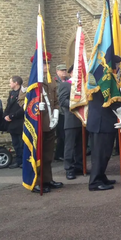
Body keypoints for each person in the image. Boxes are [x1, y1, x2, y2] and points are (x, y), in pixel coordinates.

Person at [87, 55, 121, 191]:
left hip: (103, 122)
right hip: (101, 123)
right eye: (116, 65)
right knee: (100, 154)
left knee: (105, 153)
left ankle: (101, 176)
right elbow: (110, 99)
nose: (117, 68)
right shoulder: (105, 79)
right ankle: (95, 182)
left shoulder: (102, 79)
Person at [32, 53, 63, 193]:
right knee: (37, 154)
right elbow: (22, 101)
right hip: (37, 124)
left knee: (48, 154)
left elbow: (55, 101)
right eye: (45, 63)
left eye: (48, 63)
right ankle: (36, 182)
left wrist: (56, 114)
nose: (47, 66)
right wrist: (36, 106)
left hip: (49, 123)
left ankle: (47, 179)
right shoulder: (31, 81)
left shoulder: (51, 81)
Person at [58, 67, 84, 180]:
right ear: (71, 73)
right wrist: (76, 104)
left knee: (81, 145)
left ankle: (79, 166)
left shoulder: (84, 85)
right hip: (71, 119)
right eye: (76, 72)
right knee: (70, 146)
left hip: (83, 119)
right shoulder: (65, 85)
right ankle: (69, 168)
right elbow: (62, 101)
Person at [4, 76, 26, 169]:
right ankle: (18, 160)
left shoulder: (23, 93)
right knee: (15, 143)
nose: (9, 84)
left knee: (21, 143)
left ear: (16, 83)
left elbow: (23, 108)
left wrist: (12, 116)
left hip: (19, 121)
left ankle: (23, 161)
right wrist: (5, 115)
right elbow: (8, 105)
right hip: (11, 122)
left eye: (10, 82)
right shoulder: (11, 93)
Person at [54, 64, 68, 161]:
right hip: (59, 111)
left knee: (64, 134)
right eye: (61, 70)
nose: (64, 72)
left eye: (65, 70)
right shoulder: (55, 82)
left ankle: (59, 154)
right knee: (62, 133)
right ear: (57, 71)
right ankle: (60, 154)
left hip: (67, 111)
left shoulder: (68, 80)